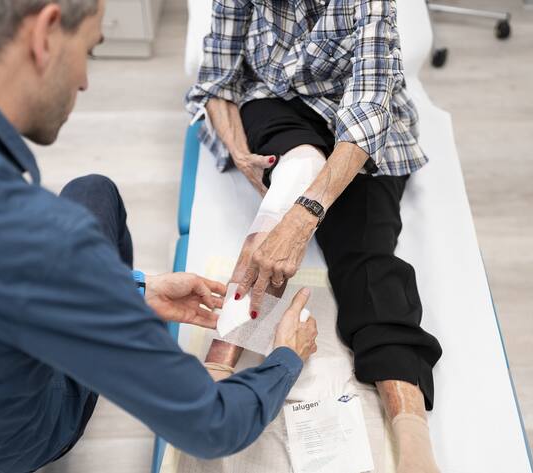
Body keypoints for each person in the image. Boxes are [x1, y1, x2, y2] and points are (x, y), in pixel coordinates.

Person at [0, 1, 319, 472]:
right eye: (89, 52)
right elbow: (213, 426)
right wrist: (285, 356)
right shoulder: (40, 239)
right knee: (95, 195)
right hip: (0, 448)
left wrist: (133, 291)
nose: (83, 81)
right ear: (46, 33)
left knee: (88, 194)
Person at [186, 1, 443, 472]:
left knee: (367, 258)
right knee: (294, 175)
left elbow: (367, 115)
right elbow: (217, 83)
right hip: (276, 105)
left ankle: (414, 442)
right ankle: (217, 373)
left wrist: (304, 217)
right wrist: (242, 153)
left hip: (366, 127)